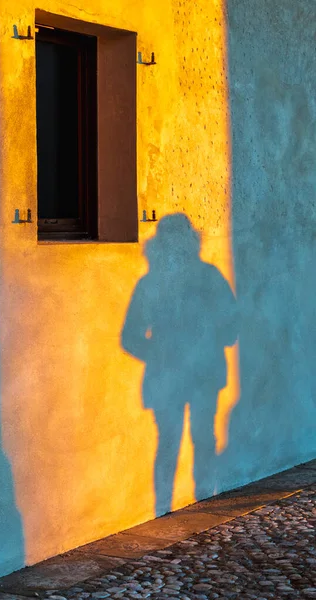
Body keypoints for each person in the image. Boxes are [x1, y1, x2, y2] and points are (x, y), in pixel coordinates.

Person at [122, 213, 237, 515]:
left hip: (188, 375)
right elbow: (231, 329)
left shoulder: (154, 283)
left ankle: (179, 506)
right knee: (190, 439)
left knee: (181, 440)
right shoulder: (207, 277)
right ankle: (194, 504)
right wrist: (164, 354)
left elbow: (131, 337)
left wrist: (160, 354)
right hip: (183, 375)